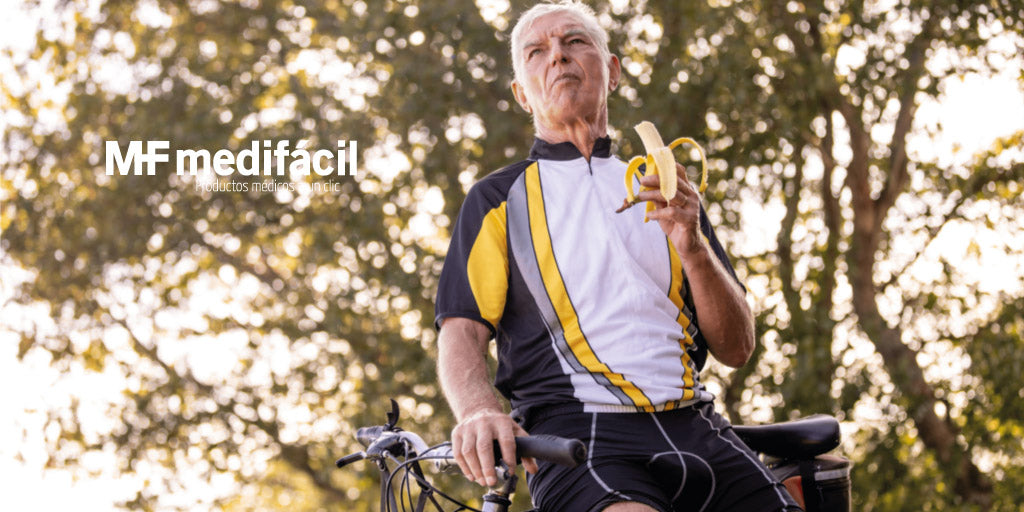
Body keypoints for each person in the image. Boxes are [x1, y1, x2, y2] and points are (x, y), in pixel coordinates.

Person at [433, 1, 800, 511]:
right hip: (580, 438)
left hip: (696, 423)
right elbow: (461, 331)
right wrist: (476, 411)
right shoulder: (497, 200)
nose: (558, 56)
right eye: (536, 52)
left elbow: (737, 349)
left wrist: (692, 246)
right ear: (522, 94)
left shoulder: (670, 191)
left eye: (575, 41)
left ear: (613, 71)